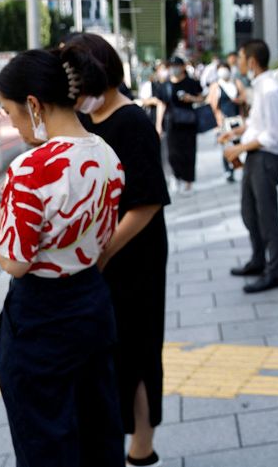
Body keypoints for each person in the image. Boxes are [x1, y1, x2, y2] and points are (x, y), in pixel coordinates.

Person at [0, 45, 126, 467]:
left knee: (45, 441)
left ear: (34, 104)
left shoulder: (32, 166)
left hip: (41, 319)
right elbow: (103, 236)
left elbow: (15, 259)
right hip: (92, 303)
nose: (12, 125)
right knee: (98, 429)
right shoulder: (107, 155)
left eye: (9, 112)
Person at [66, 33, 171, 467]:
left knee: (139, 348)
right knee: (104, 352)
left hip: (134, 254)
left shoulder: (132, 122)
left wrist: (105, 251)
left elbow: (146, 204)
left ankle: (141, 449)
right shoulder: (82, 119)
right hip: (97, 256)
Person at [219, 40, 278, 294]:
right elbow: (257, 123)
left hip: (265, 159)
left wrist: (238, 149)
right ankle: (258, 260)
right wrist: (236, 132)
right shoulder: (261, 87)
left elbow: (273, 135)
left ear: (251, 61)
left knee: (268, 216)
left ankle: (274, 272)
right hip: (255, 158)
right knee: (249, 212)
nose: (236, 63)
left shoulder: (269, 89)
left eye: (239, 57)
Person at [156, 56, 202, 193]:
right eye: (171, 66)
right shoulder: (165, 85)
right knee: (172, 153)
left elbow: (202, 97)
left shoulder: (191, 82)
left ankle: (188, 182)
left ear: (183, 67)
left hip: (188, 123)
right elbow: (161, 104)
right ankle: (176, 177)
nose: (173, 68)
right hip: (171, 123)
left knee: (189, 152)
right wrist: (158, 125)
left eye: (176, 65)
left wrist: (191, 98)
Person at [208, 65, 242, 183]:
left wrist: (238, 100)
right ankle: (229, 171)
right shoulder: (216, 86)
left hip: (237, 119)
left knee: (238, 145)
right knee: (226, 146)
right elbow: (212, 105)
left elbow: (244, 97)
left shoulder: (236, 82)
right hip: (223, 121)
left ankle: (239, 166)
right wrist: (217, 121)